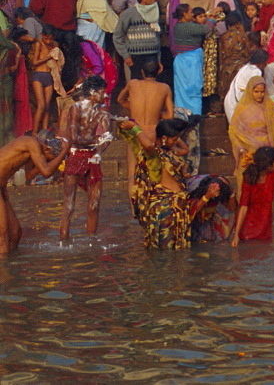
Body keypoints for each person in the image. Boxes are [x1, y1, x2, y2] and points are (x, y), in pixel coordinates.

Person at [122, 118, 204, 249]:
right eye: (174, 139)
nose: (176, 141)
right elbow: (148, 145)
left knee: (178, 251)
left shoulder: (170, 152)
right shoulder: (155, 155)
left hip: (178, 208)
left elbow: (185, 150)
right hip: (164, 209)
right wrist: (135, 128)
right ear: (164, 137)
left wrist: (174, 136)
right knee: (164, 250)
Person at [58, 76, 110, 242]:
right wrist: (97, 141)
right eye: (103, 92)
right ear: (93, 92)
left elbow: (107, 137)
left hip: (92, 157)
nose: (106, 96)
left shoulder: (103, 110)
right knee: (69, 206)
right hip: (75, 155)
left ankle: (91, 243)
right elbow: (74, 137)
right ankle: (63, 242)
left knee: (94, 205)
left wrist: (99, 152)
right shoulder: (76, 108)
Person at [0, 133, 69, 256]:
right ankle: (4, 272)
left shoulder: (34, 148)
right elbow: (47, 172)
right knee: (2, 235)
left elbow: (29, 176)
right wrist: (65, 151)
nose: (45, 161)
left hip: (1, 185)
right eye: (47, 159)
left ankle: (12, 265)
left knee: (16, 232)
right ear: (47, 149)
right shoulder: (31, 142)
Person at [117, 58, 173, 194]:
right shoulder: (164, 87)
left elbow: (120, 100)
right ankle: (153, 203)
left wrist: (135, 110)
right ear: (158, 71)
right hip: (153, 132)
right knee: (154, 169)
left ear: (142, 72)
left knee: (132, 171)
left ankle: (134, 210)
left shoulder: (132, 84)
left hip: (134, 130)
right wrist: (156, 113)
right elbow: (170, 116)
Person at [227, 76, 274, 199]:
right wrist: (240, 148)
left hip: (265, 154)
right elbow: (233, 130)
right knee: (248, 190)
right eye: (256, 91)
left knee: (265, 189)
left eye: (262, 92)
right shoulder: (242, 108)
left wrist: (273, 152)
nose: (259, 95)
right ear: (250, 91)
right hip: (248, 153)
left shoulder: (269, 107)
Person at [230, 146, 274, 247]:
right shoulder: (249, 177)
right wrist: (236, 235)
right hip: (248, 224)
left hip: (265, 222)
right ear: (268, 165)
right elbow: (243, 206)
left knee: (264, 250)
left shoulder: (273, 174)